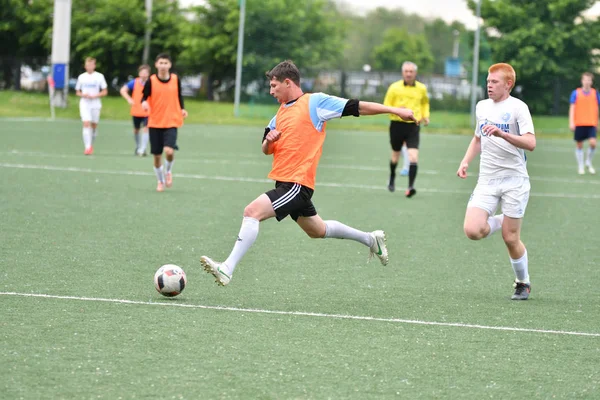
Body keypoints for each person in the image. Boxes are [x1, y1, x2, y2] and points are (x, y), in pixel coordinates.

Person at [200, 60, 416, 286]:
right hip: (285, 183)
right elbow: (265, 149)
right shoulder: (279, 114)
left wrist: (395, 110)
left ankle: (227, 269)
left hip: (297, 184)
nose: (271, 91)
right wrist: (268, 141)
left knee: (252, 211)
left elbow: (358, 106)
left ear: (287, 82)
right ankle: (371, 240)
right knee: (317, 230)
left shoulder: (315, 102)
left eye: (274, 86)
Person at [456, 63, 536, 300]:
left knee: (511, 239)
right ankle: (503, 220)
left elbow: (530, 143)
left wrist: (503, 134)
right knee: (472, 230)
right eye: (488, 82)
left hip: (515, 181)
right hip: (487, 180)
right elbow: (478, 138)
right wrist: (465, 161)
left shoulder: (518, 108)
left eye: (494, 82)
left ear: (508, 84)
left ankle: (523, 282)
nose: (489, 86)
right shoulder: (482, 107)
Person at [141, 54, 188, 192]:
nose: (163, 65)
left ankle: (168, 171)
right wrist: (144, 103)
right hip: (155, 122)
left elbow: (179, 95)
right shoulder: (151, 80)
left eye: (165, 63)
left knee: (169, 151)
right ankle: (160, 181)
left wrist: (182, 109)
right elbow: (144, 97)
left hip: (171, 121)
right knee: (157, 156)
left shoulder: (175, 79)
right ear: (156, 64)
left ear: (169, 65)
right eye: (160, 62)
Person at [383, 61, 430, 197]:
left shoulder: (421, 88)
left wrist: (425, 116)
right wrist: (397, 111)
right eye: (406, 71)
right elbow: (386, 106)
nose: (409, 74)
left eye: (411, 71)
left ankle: (410, 187)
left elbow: (425, 103)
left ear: (415, 73)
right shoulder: (394, 88)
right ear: (402, 73)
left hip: (413, 126)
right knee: (395, 156)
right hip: (396, 125)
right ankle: (392, 176)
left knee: (413, 156)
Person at [75, 57, 108, 155]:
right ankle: (87, 147)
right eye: (88, 65)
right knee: (86, 123)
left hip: (95, 103)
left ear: (94, 65)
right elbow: (77, 91)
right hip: (85, 103)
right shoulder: (81, 77)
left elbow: (105, 91)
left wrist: (96, 95)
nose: (89, 67)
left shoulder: (99, 76)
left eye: (91, 64)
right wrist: (83, 95)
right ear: (85, 66)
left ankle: (91, 144)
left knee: (94, 126)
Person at [569, 72, 599, 175]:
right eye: (585, 79)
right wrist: (571, 122)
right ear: (582, 81)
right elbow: (572, 108)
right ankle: (581, 166)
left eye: (589, 80)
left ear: (591, 81)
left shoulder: (595, 93)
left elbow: (597, 108)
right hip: (579, 123)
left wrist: (597, 122)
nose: (587, 82)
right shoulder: (576, 93)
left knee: (593, 143)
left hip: (591, 123)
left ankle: (588, 162)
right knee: (579, 145)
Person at [120, 64, 151, 156]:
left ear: (149, 74)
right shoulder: (134, 82)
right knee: (136, 130)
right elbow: (123, 90)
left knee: (146, 128)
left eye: (146, 73)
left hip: (147, 110)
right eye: (142, 72)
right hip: (136, 110)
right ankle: (138, 146)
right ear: (139, 73)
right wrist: (129, 99)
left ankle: (143, 148)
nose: (144, 75)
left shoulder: (151, 83)